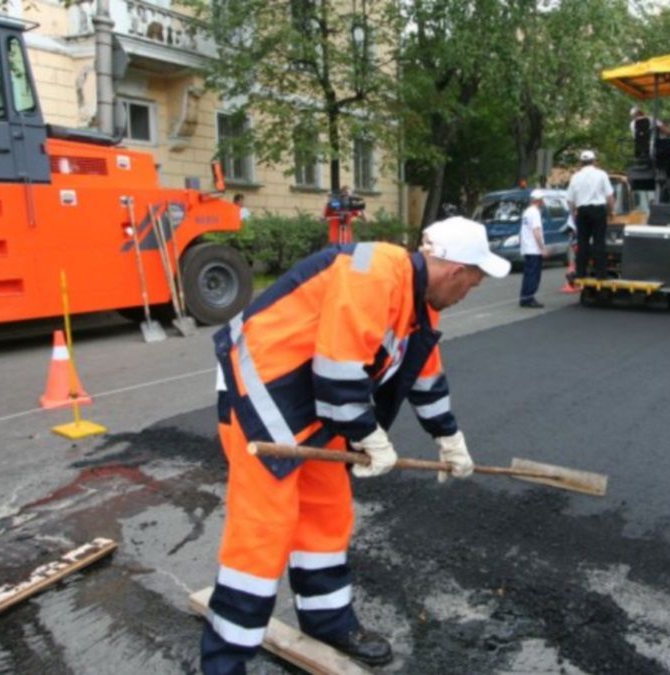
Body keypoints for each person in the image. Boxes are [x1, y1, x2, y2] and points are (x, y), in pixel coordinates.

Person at [200, 217, 510, 673]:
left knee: (327, 514)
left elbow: (424, 375)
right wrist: (370, 436)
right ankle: (224, 662)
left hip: (314, 403)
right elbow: (338, 368)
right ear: (453, 269)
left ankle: (327, 622)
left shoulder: (421, 301)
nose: (470, 292)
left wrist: (449, 437)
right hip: (262, 395)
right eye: (473, 282)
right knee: (263, 532)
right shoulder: (375, 271)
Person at [566, 150, 615, 281]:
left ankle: (580, 272)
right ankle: (601, 274)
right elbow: (610, 196)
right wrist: (610, 212)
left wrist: (573, 214)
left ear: (581, 162)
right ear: (594, 161)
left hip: (582, 211)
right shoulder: (601, 174)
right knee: (599, 242)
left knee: (582, 243)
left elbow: (570, 200)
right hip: (598, 210)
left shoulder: (575, 177)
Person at [519, 190, 548, 308]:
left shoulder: (526, 212)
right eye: (542, 199)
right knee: (534, 275)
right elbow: (536, 231)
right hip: (534, 249)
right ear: (539, 200)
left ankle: (524, 296)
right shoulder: (535, 213)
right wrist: (542, 248)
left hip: (527, 247)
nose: (543, 202)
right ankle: (529, 298)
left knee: (528, 273)